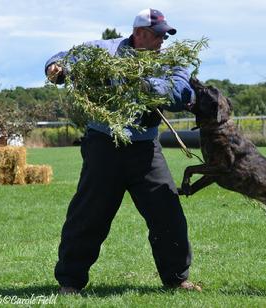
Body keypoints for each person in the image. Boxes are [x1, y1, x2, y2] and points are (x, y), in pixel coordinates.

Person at [45, 8, 201, 294]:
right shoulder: (105, 51)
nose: (162, 41)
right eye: (158, 35)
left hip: (146, 149)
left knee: (167, 213)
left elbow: (183, 92)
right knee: (89, 214)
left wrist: (146, 84)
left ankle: (177, 279)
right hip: (104, 145)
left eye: (165, 35)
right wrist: (56, 68)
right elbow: (63, 59)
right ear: (139, 33)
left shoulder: (169, 61)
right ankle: (70, 281)